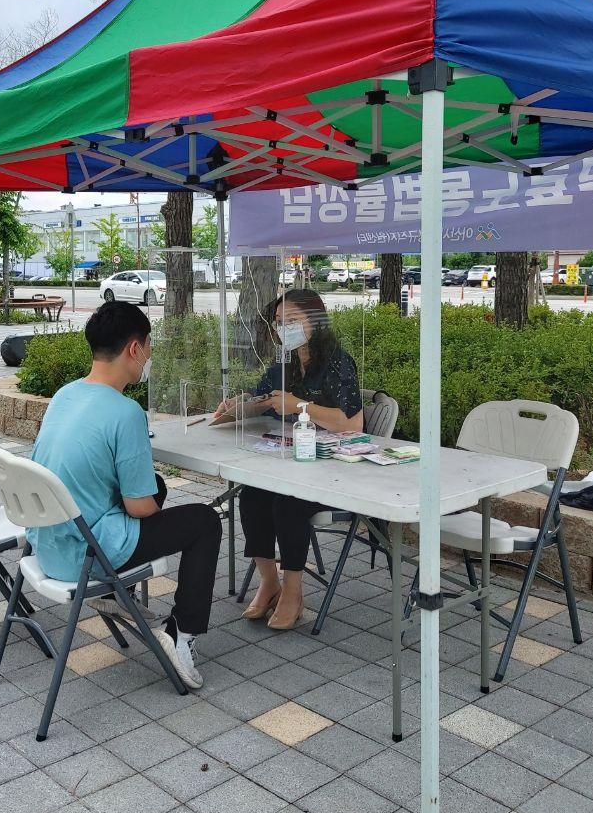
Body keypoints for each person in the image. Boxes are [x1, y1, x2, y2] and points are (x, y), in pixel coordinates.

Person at [28, 301, 222, 689]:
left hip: (47, 544)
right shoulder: (125, 412)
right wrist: (146, 501)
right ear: (134, 348)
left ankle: (122, 594)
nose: (149, 357)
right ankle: (180, 634)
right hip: (86, 557)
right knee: (204, 521)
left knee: (157, 486)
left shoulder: (66, 394)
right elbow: (139, 506)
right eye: (149, 348)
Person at [216, 289, 363, 630]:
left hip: (330, 466)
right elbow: (264, 396)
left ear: (316, 321)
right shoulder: (286, 361)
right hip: (289, 458)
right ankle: (269, 582)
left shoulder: (337, 362)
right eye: (280, 323)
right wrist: (241, 403)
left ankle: (293, 591)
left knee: (287, 501)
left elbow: (353, 423)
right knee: (252, 495)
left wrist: (299, 405)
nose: (285, 329)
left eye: (293, 321)